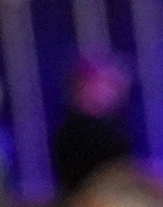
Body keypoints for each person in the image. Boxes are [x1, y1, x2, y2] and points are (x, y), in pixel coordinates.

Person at [49, 56, 138, 197]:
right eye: (109, 84)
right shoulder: (79, 132)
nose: (117, 92)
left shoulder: (110, 126)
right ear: (84, 86)